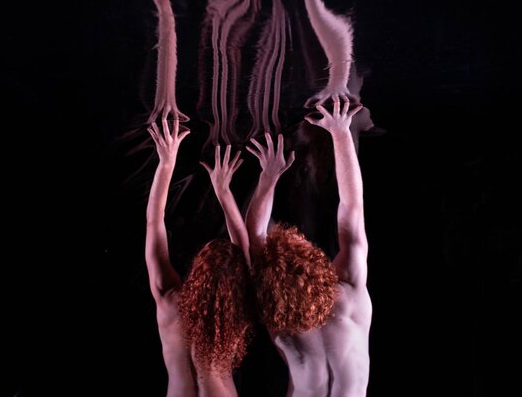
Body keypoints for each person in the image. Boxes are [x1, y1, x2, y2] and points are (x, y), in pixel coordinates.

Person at [245, 97, 371, 396]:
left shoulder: (281, 324)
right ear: (316, 260)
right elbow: (352, 210)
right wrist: (340, 132)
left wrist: (268, 179)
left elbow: (254, 237)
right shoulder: (349, 293)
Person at [145, 117, 255, 396]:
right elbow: (244, 245)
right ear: (236, 282)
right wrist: (223, 190)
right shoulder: (237, 312)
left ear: (197, 270)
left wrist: (166, 162)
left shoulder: (170, 300)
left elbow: (154, 224)